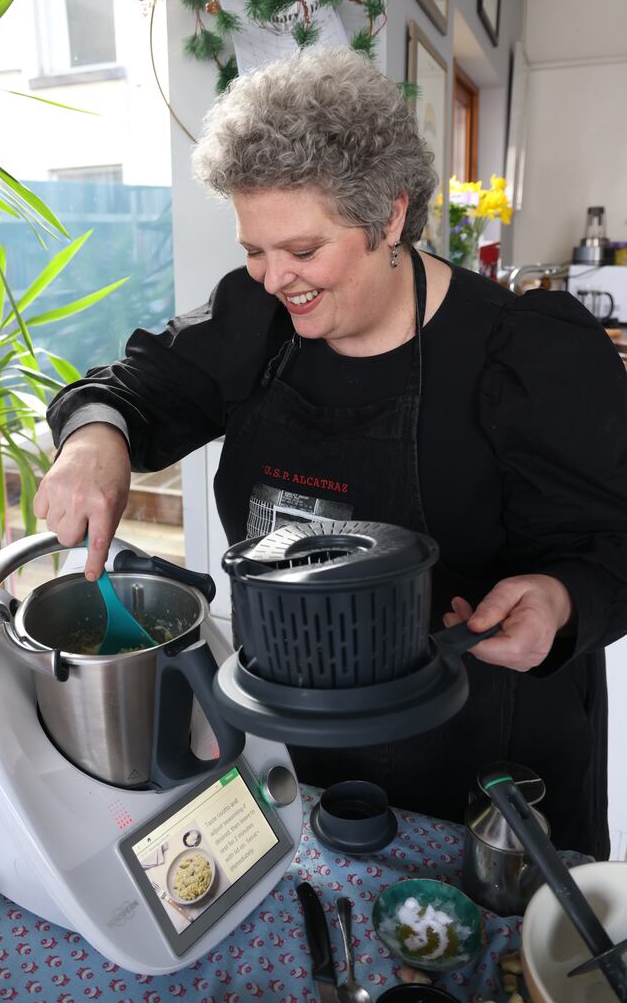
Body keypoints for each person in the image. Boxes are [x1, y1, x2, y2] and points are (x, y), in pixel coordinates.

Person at [35, 47, 627, 859]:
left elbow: (613, 546)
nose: (275, 278)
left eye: (304, 251)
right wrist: (95, 436)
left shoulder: (526, 354)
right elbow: (136, 387)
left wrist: (561, 599)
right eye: (254, 249)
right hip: (300, 742)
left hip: (483, 769)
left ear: (389, 216)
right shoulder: (259, 317)